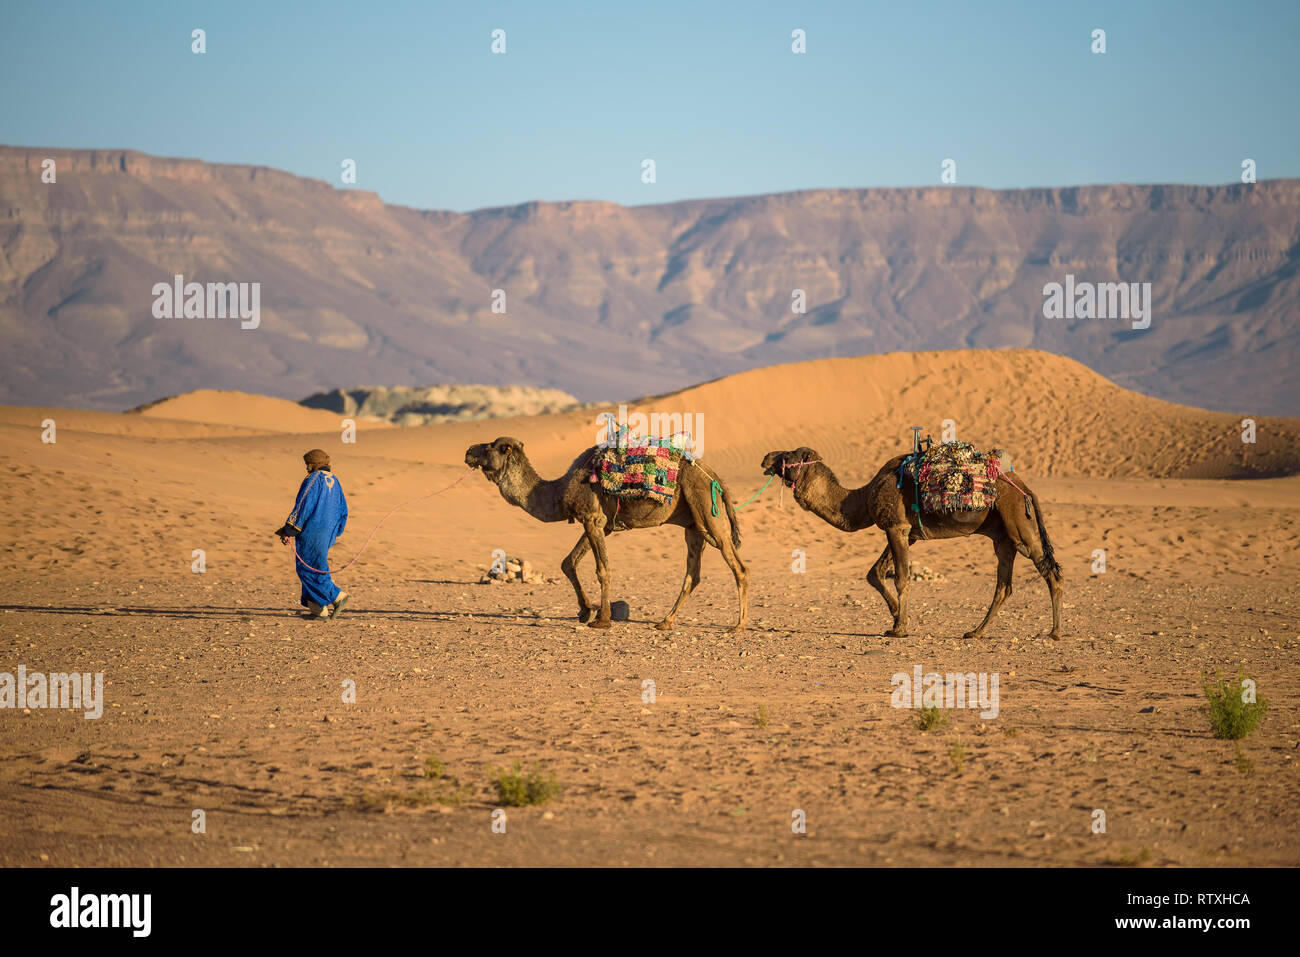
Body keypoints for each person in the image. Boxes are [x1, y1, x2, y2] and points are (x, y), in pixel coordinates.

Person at [275, 449, 349, 619]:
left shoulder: (313, 479)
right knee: (316, 566)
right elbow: (343, 510)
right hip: (328, 532)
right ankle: (318, 610)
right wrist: (335, 531)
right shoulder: (335, 481)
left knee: (307, 568)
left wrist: (289, 529)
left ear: (313, 463)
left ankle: (337, 596)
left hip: (312, 530)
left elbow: (302, 506)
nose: (306, 468)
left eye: (308, 464)